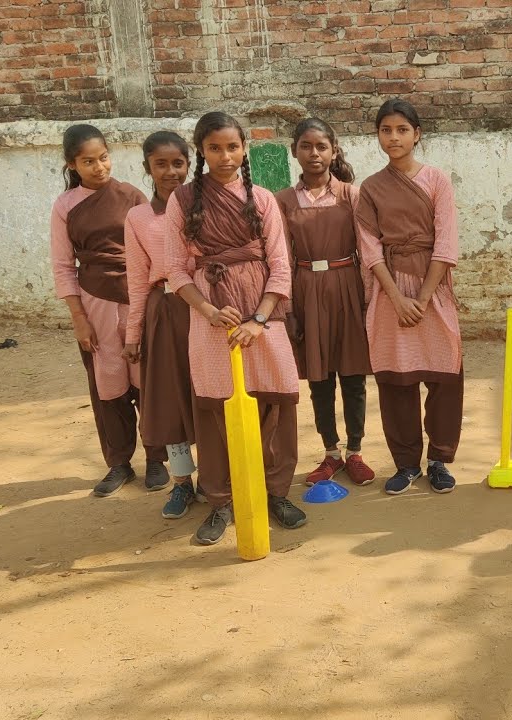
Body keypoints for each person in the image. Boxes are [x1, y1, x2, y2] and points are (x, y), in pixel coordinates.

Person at [163, 111, 307, 545]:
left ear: (245, 148)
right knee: (216, 410)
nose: (224, 156)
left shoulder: (262, 199)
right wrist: (207, 311)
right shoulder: (182, 202)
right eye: (214, 148)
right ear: (200, 152)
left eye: (232, 146)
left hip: (264, 319)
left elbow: (281, 266)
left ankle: (275, 493)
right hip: (211, 320)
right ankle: (221, 501)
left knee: (275, 404)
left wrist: (260, 320)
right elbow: (175, 268)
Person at [354, 99, 464, 496]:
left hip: (433, 288)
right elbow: (369, 249)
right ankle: (405, 463)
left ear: (417, 135)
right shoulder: (370, 188)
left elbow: (446, 242)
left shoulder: (436, 180)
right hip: (389, 293)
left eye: (402, 129)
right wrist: (398, 298)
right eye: (386, 130)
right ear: (378, 136)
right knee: (396, 380)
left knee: (443, 374)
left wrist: (423, 295)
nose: (394, 137)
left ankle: (439, 460)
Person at [49, 123, 161, 496]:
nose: (99, 167)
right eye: (88, 161)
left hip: (138, 297)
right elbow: (63, 265)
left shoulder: (131, 196)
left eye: (103, 157)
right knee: (108, 383)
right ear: (72, 165)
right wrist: (79, 319)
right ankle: (119, 463)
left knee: (148, 380)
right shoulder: (66, 206)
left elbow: (153, 249)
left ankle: (157, 458)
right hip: (93, 301)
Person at [275, 118, 375, 488]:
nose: (314, 153)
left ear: (333, 151)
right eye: (306, 146)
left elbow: (367, 251)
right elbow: (281, 258)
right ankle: (330, 452)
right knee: (319, 378)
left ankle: (355, 451)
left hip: (347, 285)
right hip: (305, 289)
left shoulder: (352, 195)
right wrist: (287, 311)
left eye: (321, 146)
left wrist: (368, 303)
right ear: (294, 151)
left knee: (352, 375)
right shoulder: (282, 200)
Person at [123, 131, 202, 517]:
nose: (171, 171)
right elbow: (137, 280)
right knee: (171, 400)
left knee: (209, 394)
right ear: (147, 168)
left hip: (205, 310)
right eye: (161, 164)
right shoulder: (138, 217)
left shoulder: (203, 205)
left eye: (178, 163)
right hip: (164, 313)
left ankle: (220, 477)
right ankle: (183, 483)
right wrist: (133, 333)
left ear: (189, 164)